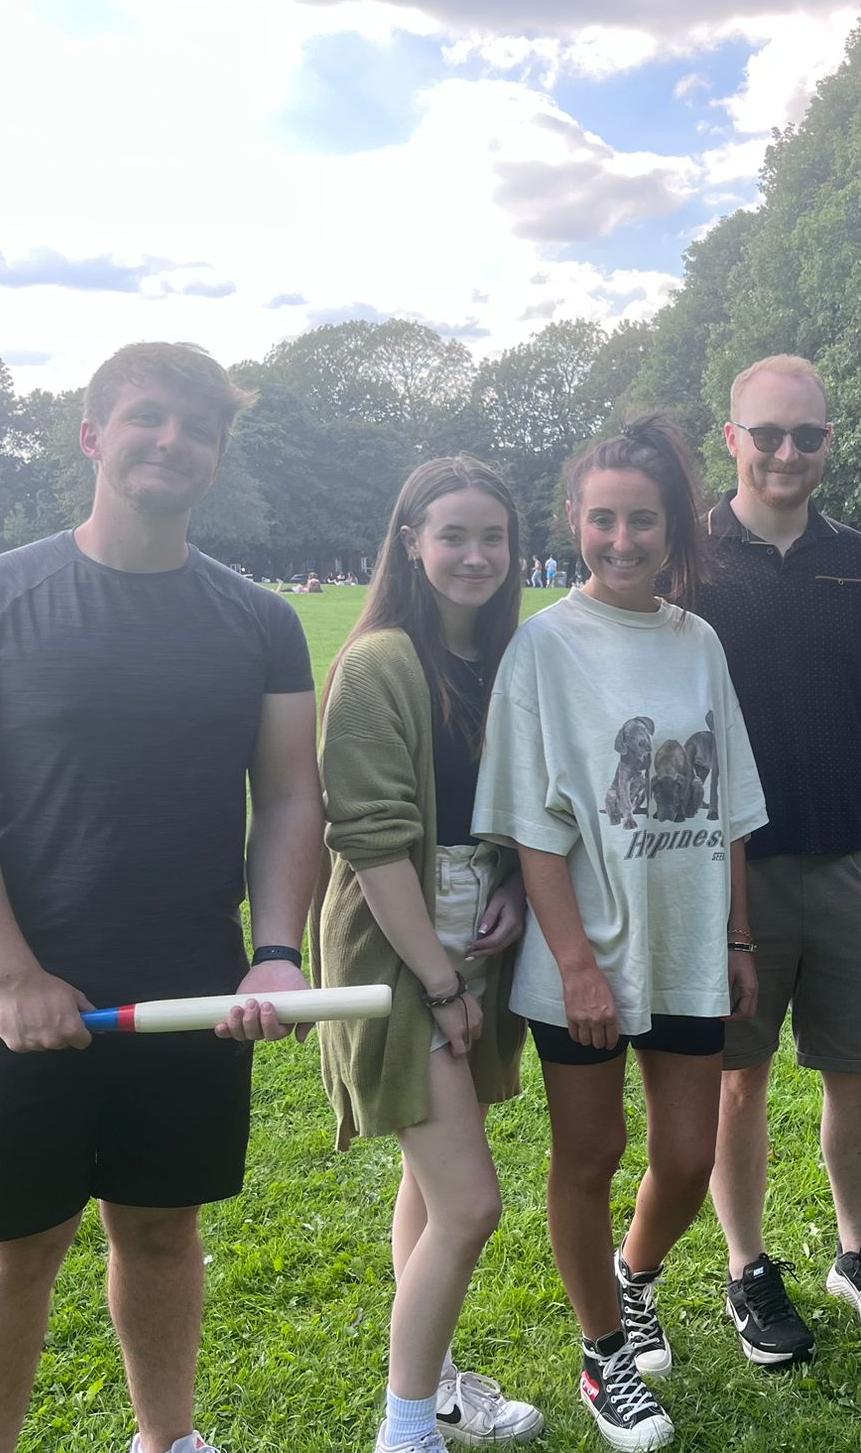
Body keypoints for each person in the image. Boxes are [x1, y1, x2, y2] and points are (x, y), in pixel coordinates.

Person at [0, 342, 322, 1453]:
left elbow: (286, 801)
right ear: (92, 434)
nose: (169, 442)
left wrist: (275, 948)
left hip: (187, 991)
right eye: (145, 418)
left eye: (196, 429)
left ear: (216, 459)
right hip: (24, 994)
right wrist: (12, 974)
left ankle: (166, 1441)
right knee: (15, 1249)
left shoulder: (259, 621)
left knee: (163, 1232)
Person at [473, 415, 765, 1450]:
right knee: (589, 1155)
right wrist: (574, 966)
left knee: (687, 1158)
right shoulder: (544, 647)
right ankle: (604, 1355)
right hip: (585, 957)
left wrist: (736, 943)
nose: (623, 538)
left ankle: (631, 1281)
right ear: (574, 522)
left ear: (672, 526)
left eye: (642, 520)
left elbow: (727, 806)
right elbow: (535, 827)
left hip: (687, 947)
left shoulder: (698, 642)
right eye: (603, 519)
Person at [690, 354, 861, 1366]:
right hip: (726, 873)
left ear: (829, 441)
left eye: (807, 435)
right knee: (737, 1081)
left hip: (850, 861)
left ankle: (857, 1247)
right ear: (730, 438)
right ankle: (747, 1265)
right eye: (767, 433)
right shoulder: (685, 554)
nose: (787, 452)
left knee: (857, 1070)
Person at [314, 457, 542, 1452]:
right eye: (452, 535)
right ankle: (405, 1432)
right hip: (393, 954)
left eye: (492, 536)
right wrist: (442, 984)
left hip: (470, 939)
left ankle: (437, 1388)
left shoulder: (500, 660)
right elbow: (369, 844)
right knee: (469, 1201)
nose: (474, 555)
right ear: (409, 542)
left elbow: (514, 812)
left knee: (426, 1182)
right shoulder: (380, 663)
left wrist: (513, 889)